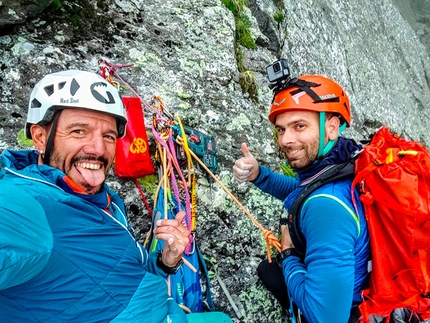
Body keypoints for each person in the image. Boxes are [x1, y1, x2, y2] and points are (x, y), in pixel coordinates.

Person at [0, 70, 232, 323]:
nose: (98, 149)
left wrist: (167, 261)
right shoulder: (25, 206)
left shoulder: (104, 200)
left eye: (108, 136)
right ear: (40, 137)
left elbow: (122, 271)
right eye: (79, 131)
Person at [233, 71, 370, 323]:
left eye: (299, 126)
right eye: (281, 129)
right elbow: (302, 191)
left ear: (331, 127)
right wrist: (259, 175)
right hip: (354, 286)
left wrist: (288, 254)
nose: (286, 139)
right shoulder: (342, 162)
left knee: (270, 271)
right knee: (267, 271)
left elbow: (325, 318)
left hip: (343, 310)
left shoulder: (327, 208)